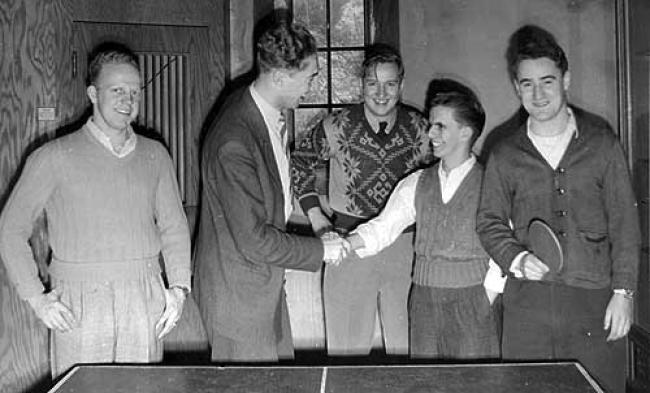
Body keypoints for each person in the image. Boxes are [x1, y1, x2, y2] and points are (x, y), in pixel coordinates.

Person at [0, 43, 191, 378]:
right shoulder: (53, 156)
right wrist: (36, 298)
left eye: (134, 91)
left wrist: (178, 289)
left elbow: (174, 228)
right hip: (80, 303)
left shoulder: (155, 154)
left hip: (143, 297)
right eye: (116, 90)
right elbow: (9, 229)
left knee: (142, 388)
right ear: (92, 93)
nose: (127, 100)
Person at [476, 25, 640, 393]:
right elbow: (488, 222)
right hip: (528, 305)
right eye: (527, 83)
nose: (538, 93)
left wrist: (624, 293)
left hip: (594, 300)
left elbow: (625, 224)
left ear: (566, 80)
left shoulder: (602, 143)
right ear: (517, 88)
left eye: (547, 81)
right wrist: (515, 259)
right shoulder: (503, 152)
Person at [193, 16, 346, 363]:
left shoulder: (261, 112)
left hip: (262, 288)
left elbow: (274, 195)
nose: (312, 85)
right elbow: (254, 239)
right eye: (309, 76)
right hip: (239, 300)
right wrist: (321, 251)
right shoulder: (234, 139)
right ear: (279, 76)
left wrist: (317, 222)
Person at [345, 79, 504, 359]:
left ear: (466, 132)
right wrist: (342, 246)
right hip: (424, 302)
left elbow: (504, 250)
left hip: (473, 301)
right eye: (431, 124)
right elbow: (382, 229)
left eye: (440, 126)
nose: (431, 133)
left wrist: (485, 299)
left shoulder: (493, 183)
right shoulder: (417, 182)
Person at [292, 43, 432, 356]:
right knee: (346, 352)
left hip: (407, 249)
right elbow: (299, 163)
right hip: (347, 246)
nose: (381, 93)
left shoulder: (421, 129)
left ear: (401, 85)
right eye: (373, 84)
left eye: (390, 84)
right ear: (361, 85)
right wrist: (317, 219)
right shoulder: (335, 126)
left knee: (411, 351)